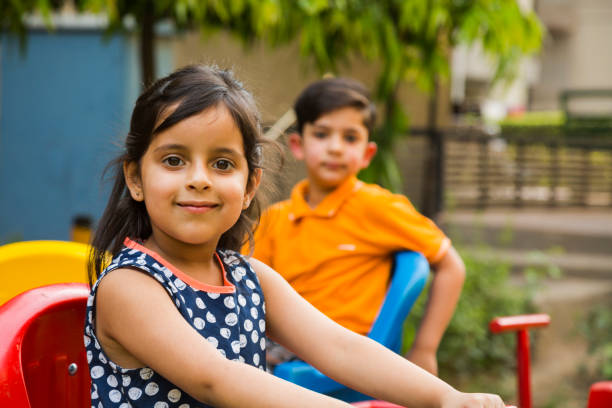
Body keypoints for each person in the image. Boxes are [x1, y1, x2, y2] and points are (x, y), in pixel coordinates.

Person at [85, 64, 504, 408]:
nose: (199, 180)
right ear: (136, 178)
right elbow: (217, 380)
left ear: (251, 185)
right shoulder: (129, 287)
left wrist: (446, 397)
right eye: (174, 160)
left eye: (223, 164)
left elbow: (341, 348)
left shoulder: (251, 277)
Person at [250, 78, 465, 375]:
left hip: (349, 354)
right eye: (322, 134)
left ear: (367, 154)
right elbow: (248, 290)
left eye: (350, 138)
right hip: (285, 345)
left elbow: (451, 267)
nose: (336, 148)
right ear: (298, 145)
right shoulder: (274, 218)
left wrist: (425, 350)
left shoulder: (379, 208)